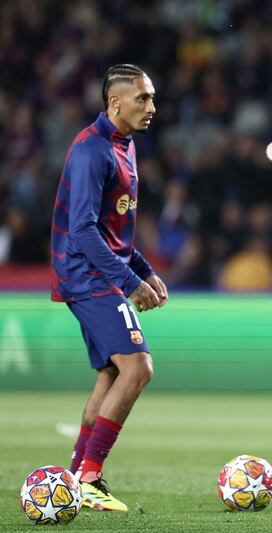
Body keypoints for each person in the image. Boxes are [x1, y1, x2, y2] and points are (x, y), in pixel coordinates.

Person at [51, 63, 166, 512]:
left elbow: (112, 227)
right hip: (86, 273)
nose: (152, 107)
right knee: (138, 368)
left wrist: (144, 268)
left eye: (152, 97)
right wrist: (129, 282)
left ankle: (76, 475)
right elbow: (82, 230)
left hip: (97, 271)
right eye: (143, 98)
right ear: (115, 102)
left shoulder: (124, 145)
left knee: (114, 372)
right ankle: (91, 476)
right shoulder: (91, 151)